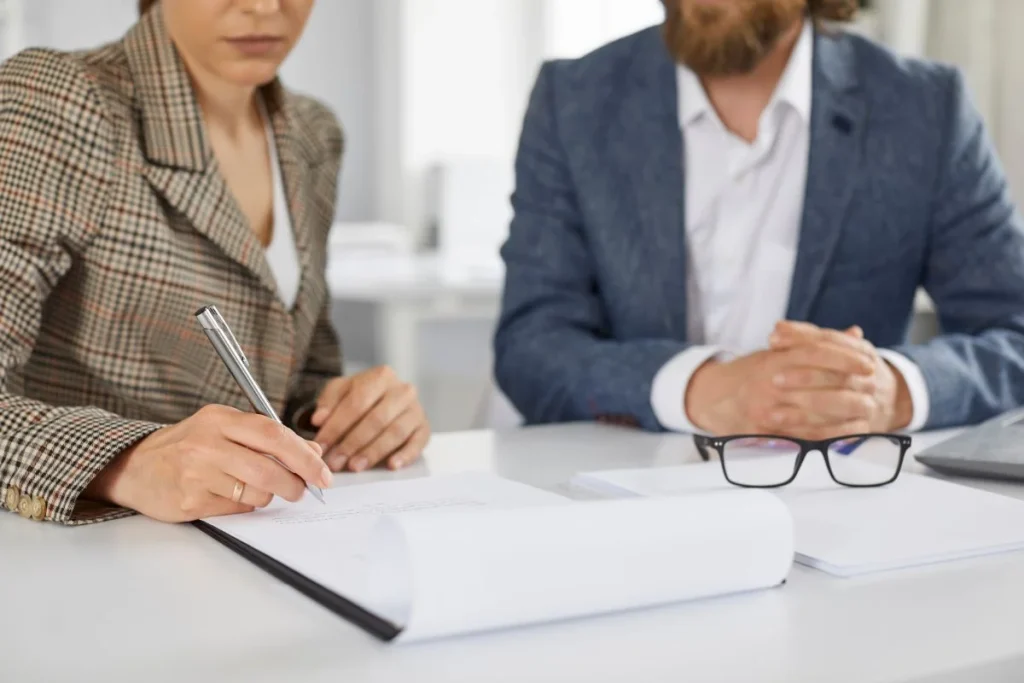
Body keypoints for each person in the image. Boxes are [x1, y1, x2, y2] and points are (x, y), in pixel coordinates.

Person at [494, 0, 1024, 438]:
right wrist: (700, 389)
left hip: (839, 506)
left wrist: (892, 392)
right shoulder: (573, 100)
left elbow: (1014, 332)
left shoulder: (925, 109)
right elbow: (531, 345)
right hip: (622, 503)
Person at [0, 0, 430, 526]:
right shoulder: (59, 98)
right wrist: (128, 462)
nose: (264, 7)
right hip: (83, 560)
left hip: (258, 548)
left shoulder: (313, 134)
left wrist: (349, 416)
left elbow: (292, 379)